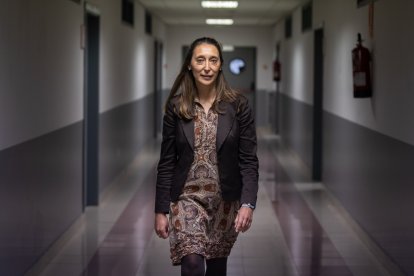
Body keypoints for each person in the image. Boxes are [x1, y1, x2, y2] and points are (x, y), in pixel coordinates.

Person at [154, 37, 259, 276]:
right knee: (191, 263)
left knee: (216, 268)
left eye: (213, 60)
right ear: (190, 64)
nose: (207, 66)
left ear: (221, 64)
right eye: (200, 60)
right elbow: (167, 161)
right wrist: (161, 209)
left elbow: (249, 160)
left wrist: (248, 203)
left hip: (224, 201)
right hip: (186, 198)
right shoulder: (177, 107)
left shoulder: (239, 106)